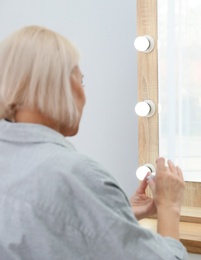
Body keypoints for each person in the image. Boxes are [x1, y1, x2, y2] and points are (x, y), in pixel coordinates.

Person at [0, 26, 187, 259]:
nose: (84, 93)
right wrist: (170, 206)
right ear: (64, 86)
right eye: (82, 80)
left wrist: (114, 214)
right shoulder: (74, 175)